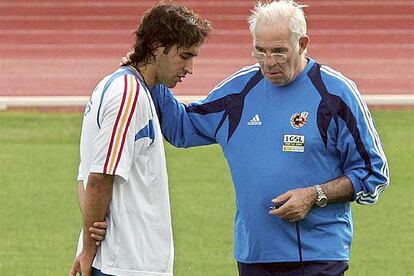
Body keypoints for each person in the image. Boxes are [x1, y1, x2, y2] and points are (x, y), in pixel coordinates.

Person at [145, 1, 389, 275]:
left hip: (317, 257)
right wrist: (150, 70)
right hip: (254, 256)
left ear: (303, 43)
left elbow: (372, 173)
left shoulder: (335, 94)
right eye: (260, 51)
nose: (268, 62)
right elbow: (181, 128)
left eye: (279, 52)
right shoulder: (240, 91)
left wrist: (315, 195)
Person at [69, 3, 211, 276]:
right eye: (184, 56)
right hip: (126, 263)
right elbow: (98, 178)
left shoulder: (123, 87)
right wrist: (88, 249)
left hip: (128, 260)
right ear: (157, 46)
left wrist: (89, 236)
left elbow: (84, 176)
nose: (190, 68)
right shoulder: (127, 95)